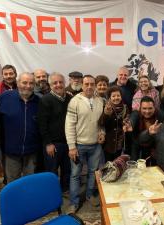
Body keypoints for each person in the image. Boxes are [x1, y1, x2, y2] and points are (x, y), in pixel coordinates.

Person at [65, 75, 104, 214]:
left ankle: (89, 195)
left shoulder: (100, 101)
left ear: (95, 85)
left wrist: (102, 133)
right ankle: (74, 202)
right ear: (82, 85)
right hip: (79, 146)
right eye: (86, 84)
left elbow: (101, 122)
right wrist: (71, 146)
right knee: (75, 174)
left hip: (95, 145)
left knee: (93, 173)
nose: (89, 86)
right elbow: (69, 125)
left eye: (92, 84)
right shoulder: (75, 101)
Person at [0, 72, 42, 183]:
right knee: (12, 182)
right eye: (24, 82)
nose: (28, 86)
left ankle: (28, 200)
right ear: (18, 83)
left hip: (31, 151)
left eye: (31, 83)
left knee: (30, 182)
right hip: (10, 151)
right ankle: (14, 200)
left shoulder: (39, 101)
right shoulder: (5, 98)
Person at [37, 72, 72, 192]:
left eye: (60, 82)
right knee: (51, 171)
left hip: (68, 142)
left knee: (67, 170)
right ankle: (51, 194)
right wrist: (48, 143)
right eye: (55, 83)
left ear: (65, 83)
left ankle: (64, 190)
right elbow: (42, 124)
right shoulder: (45, 100)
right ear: (50, 85)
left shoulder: (69, 98)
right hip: (53, 144)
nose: (58, 85)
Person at [124, 96, 163, 164]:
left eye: (150, 108)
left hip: (152, 145)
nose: (147, 111)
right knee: (133, 164)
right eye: (144, 108)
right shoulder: (136, 113)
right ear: (140, 108)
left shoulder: (160, 115)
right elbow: (132, 118)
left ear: (154, 108)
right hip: (137, 143)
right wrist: (130, 124)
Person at [99, 86, 129, 162]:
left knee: (117, 166)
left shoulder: (125, 108)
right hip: (108, 145)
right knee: (107, 166)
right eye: (113, 96)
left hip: (120, 144)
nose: (116, 98)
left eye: (118, 95)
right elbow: (101, 123)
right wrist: (106, 114)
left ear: (121, 97)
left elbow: (127, 121)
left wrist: (126, 124)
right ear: (109, 98)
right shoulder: (105, 107)